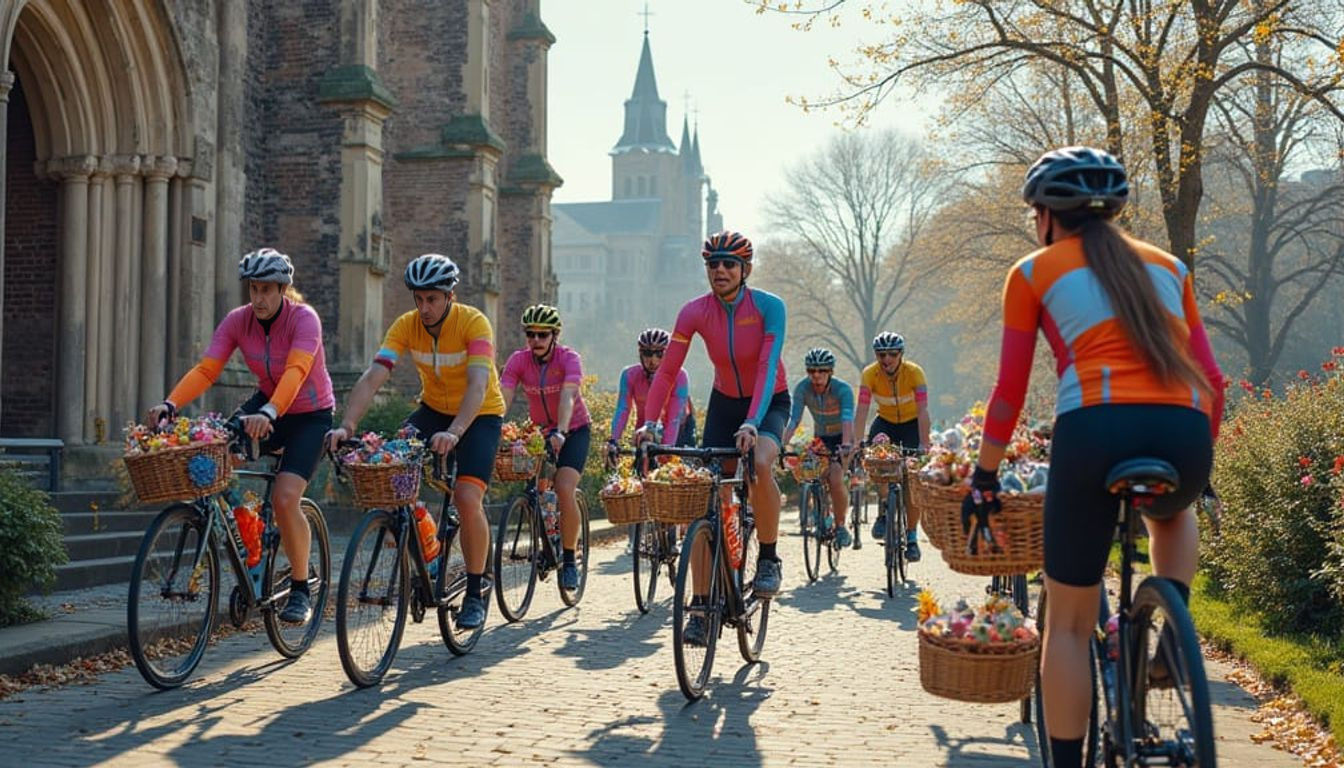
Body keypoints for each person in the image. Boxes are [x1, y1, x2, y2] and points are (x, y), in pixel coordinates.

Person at [966, 146, 1223, 768]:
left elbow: (1007, 393)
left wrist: (986, 474)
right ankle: (1171, 628)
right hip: (1185, 430)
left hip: (1095, 427)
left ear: (1048, 216)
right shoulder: (1170, 268)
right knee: (1173, 510)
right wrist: (1201, 463)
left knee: (1072, 626)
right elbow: (1213, 379)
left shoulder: (1034, 271)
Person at [148, 248, 333, 624]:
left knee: (285, 498)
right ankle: (251, 543)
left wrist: (269, 412)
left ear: (283, 289)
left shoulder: (304, 320)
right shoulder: (238, 321)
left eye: (267, 289)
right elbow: (206, 369)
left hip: (310, 414)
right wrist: (170, 404)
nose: (259, 298)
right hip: (265, 404)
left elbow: (297, 371)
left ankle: (300, 587)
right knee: (216, 459)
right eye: (254, 289)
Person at [325, 253, 506, 631]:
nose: (424, 308)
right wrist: (347, 425)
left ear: (449, 296)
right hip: (432, 410)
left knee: (467, 497)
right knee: (390, 469)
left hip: (480, 413)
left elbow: (477, 385)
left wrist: (455, 432)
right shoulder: (407, 325)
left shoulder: (474, 322)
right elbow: (375, 375)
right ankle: (427, 549)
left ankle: (476, 590)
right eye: (418, 299)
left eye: (432, 299)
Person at [637, 230, 789, 645]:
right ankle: (702, 607)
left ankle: (770, 558)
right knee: (706, 502)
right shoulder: (693, 312)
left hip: (769, 400)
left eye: (728, 264)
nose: (719, 270)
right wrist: (649, 422)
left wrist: (754, 421)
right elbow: (667, 371)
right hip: (724, 403)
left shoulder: (769, 307)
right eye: (712, 264)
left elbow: (765, 365)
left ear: (745, 270)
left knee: (758, 462)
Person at [499, 304, 591, 593]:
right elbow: (504, 395)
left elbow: (568, 396)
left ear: (554, 335)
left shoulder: (569, 359)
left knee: (564, 487)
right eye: (530, 335)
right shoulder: (518, 360)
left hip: (573, 430)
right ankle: (546, 539)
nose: (536, 340)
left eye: (542, 335)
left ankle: (568, 558)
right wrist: (492, 427)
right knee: (536, 489)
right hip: (540, 431)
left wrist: (561, 432)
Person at [853, 332, 931, 562]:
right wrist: (859, 441)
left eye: (892, 354)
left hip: (911, 424)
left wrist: (924, 443)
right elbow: (862, 410)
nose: (886, 359)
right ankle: (885, 508)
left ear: (901, 355)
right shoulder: (870, 374)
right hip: (885, 422)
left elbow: (923, 410)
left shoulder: (914, 373)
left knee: (910, 481)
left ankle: (912, 536)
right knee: (879, 464)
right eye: (881, 354)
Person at [781, 347, 857, 549]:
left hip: (843, 437)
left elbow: (848, 418)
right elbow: (794, 419)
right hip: (821, 438)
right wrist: (782, 442)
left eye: (822, 371)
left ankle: (841, 526)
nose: (816, 375)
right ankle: (820, 511)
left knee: (834, 477)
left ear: (830, 372)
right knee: (810, 472)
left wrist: (847, 444)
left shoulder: (843, 390)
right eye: (811, 371)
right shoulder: (802, 389)